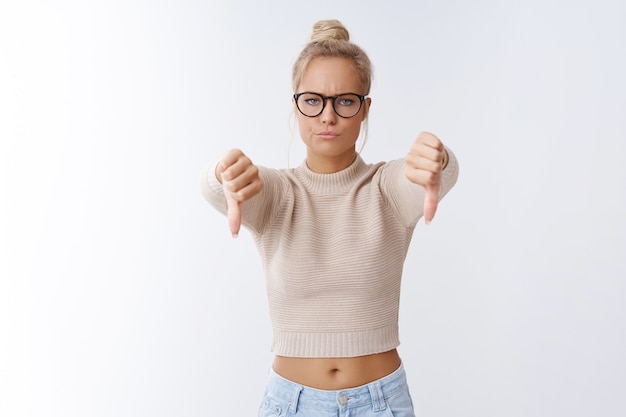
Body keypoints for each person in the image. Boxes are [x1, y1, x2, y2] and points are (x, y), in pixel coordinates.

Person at [201, 19, 459, 417]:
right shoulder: (275, 193)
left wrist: (437, 158)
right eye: (313, 100)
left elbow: (427, 174)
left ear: (365, 109)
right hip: (291, 403)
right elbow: (219, 189)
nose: (327, 116)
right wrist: (223, 172)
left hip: (381, 403)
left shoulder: (385, 188)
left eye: (344, 101)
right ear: (296, 105)